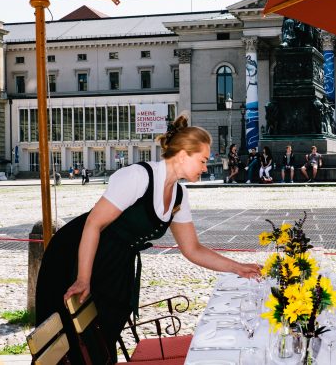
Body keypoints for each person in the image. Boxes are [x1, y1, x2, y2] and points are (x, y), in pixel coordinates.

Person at [35, 116, 261, 362]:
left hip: (116, 263)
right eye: (203, 160)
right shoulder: (138, 176)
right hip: (76, 253)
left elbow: (192, 249)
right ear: (184, 155)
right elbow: (93, 224)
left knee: (103, 335)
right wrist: (82, 278)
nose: (206, 167)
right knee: (67, 342)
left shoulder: (178, 195)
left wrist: (239, 268)